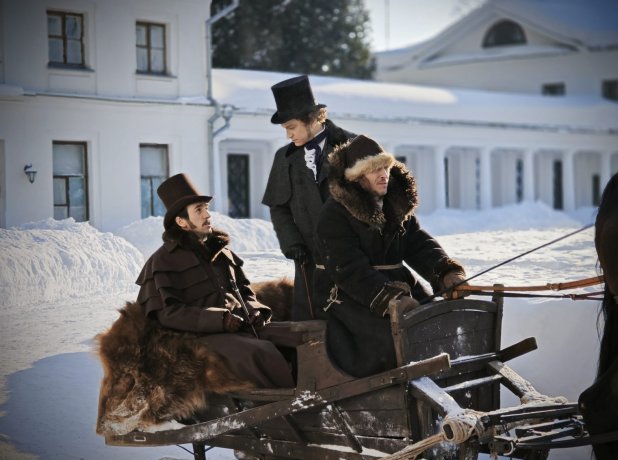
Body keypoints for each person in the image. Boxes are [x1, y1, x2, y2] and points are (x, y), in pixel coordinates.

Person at [315, 135, 468, 378]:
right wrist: (388, 298)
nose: (383, 174)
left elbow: (418, 244)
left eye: (385, 167)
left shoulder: (394, 205)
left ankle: (443, 378)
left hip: (400, 287)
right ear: (357, 176)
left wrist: (445, 272)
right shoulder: (334, 214)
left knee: (436, 320)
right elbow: (348, 269)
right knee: (393, 338)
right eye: (374, 169)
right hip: (352, 297)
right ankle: (398, 389)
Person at [136, 173, 294, 389]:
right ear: (181, 221)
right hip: (199, 338)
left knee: (297, 337)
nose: (207, 215)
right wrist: (219, 320)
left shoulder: (221, 251)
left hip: (241, 327)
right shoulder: (162, 262)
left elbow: (244, 290)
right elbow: (169, 314)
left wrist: (254, 309)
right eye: (198, 210)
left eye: (206, 208)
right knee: (261, 353)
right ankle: (290, 404)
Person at [262, 75, 355, 320]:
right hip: (309, 262)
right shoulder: (283, 158)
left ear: (312, 119)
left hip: (353, 258)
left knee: (356, 322)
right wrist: (292, 243)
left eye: (291, 127)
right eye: (285, 129)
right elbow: (278, 207)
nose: (288, 135)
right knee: (311, 327)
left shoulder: (352, 146)